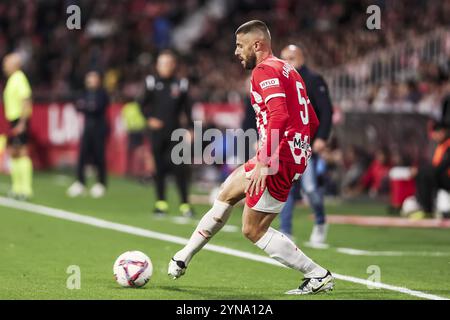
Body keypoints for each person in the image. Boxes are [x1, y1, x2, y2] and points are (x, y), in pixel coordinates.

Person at [167, 20, 334, 295]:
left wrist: (267, 160)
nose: (236, 52)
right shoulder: (288, 69)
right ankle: (183, 256)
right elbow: (312, 119)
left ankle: (318, 275)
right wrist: (300, 148)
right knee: (227, 193)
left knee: (252, 230)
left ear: (257, 44)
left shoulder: (264, 70)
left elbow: (279, 115)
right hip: (285, 153)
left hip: (278, 157)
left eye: (239, 45)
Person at [279, 44, 333, 245]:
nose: (286, 63)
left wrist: (322, 137)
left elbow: (326, 110)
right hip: (286, 141)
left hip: (306, 142)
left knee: (309, 188)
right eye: (283, 58)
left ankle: (320, 221)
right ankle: (285, 230)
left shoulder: (313, 80)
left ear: (301, 59)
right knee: (285, 187)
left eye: (291, 58)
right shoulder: (280, 81)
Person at [141, 50, 194, 217]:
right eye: (163, 63)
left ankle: (185, 204)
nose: (166, 67)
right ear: (157, 65)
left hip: (176, 132)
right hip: (158, 133)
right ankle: (161, 203)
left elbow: (188, 109)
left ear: (174, 65)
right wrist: (149, 118)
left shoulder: (181, 84)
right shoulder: (151, 83)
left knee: (180, 168)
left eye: (169, 63)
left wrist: (191, 129)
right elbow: (141, 104)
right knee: (159, 168)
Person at [67, 71, 110, 198]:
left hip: (99, 128)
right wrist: (87, 106)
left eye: (94, 78)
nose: (91, 80)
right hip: (87, 128)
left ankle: (101, 183)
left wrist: (86, 106)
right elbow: (79, 106)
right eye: (89, 78)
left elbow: (97, 107)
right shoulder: (84, 93)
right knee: (82, 155)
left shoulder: (102, 93)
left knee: (99, 157)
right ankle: (80, 183)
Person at [2, 53, 33, 200]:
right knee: (14, 153)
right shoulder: (13, 79)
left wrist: (22, 123)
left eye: (7, 62)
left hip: (19, 120)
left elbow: (26, 100)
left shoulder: (20, 78)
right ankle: (17, 188)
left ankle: (26, 190)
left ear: (15, 64)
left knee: (22, 152)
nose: (4, 65)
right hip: (13, 120)